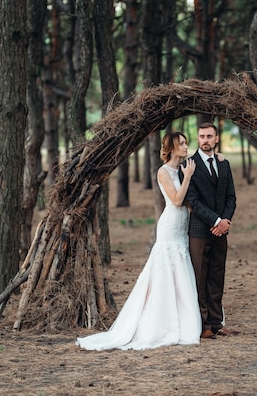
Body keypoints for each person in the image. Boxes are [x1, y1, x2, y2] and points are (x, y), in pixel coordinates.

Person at [76, 132, 201, 351]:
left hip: (182, 226)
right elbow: (177, 200)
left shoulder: (180, 170)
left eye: (185, 143)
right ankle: (159, 322)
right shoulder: (163, 172)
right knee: (166, 268)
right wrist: (188, 176)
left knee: (181, 270)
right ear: (171, 148)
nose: (185, 146)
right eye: (181, 143)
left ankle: (184, 319)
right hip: (170, 225)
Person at [184, 122, 237, 339]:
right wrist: (215, 220)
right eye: (202, 136)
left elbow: (231, 197)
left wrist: (225, 221)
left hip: (221, 231)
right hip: (199, 230)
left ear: (216, 139)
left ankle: (217, 322)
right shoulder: (189, 165)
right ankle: (204, 325)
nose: (205, 140)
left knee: (217, 275)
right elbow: (192, 201)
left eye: (209, 136)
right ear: (198, 139)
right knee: (200, 277)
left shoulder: (224, 164)